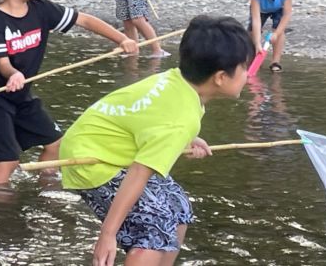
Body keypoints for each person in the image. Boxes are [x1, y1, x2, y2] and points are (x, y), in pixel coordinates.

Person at [59, 15, 253, 266]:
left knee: (179, 207)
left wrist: (188, 139)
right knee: (152, 228)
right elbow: (139, 172)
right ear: (219, 77)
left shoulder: (177, 82)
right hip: (94, 159)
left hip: (103, 144)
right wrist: (107, 235)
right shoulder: (180, 120)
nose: (248, 75)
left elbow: (152, 120)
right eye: (244, 68)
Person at [0, 0, 138, 188]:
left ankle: (45, 188)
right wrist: (13, 74)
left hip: (22, 95)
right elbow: (2, 63)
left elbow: (85, 20)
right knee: (8, 160)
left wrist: (121, 39)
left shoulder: (41, 9)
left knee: (56, 143)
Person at [248, 0, 293, 72]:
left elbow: (287, 14)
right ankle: (254, 56)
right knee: (251, 32)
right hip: (262, 10)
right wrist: (258, 43)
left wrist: (276, 33)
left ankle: (275, 62)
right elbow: (256, 20)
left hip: (279, 8)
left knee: (278, 32)